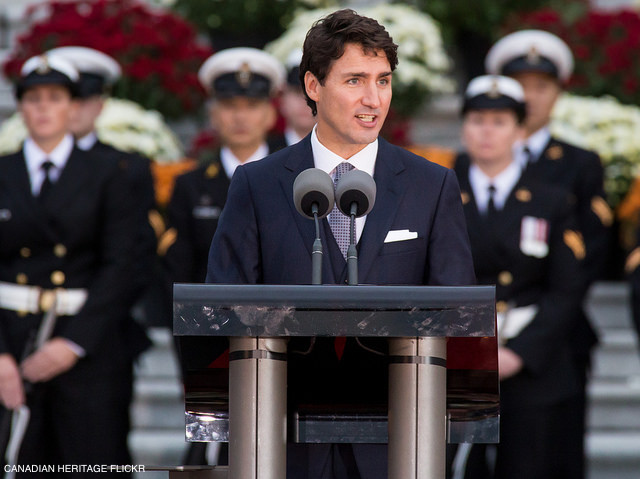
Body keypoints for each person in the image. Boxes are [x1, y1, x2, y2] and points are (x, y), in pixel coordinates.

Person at [206, 9, 475, 479]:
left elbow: (457, 316)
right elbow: (220, 309)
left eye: (383, 81)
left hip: (398, 447)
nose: (373, 99)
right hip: (281, 444)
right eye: (355, 80)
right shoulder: (257, 183)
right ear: (313, 85)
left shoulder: (431, 185)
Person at [0, 53, 139, 473]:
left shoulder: (109, 173)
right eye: (33, 98)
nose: (43, 107)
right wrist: (0, 354)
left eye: (55, 97)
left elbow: (123, 265)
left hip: (85, 345)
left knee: (88, 464)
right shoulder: (2, 172)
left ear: (73, 107)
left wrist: (72, 344)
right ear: (21, 107)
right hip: (10, 340)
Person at [485, 30, 613, 478]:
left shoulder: (579, 164)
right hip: (481, 340)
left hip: (557, 339)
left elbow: (589, 254)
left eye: (543, 87)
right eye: (522, 87)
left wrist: (530, 333)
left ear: (559, 93)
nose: (533, 98)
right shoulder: (469, 166)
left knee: (552, 459)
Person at [450, 75, 585, 479]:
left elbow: (567, 288)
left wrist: (519, 352)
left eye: (499, 121)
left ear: (520, 131)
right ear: (463, 128)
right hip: (460, 359)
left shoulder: (550, 200)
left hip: (531, 364)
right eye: (477, 120)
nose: (486, 131)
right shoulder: (439, 195)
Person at [161, 46, 286, 466]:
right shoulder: (190, 186)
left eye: (251, 106)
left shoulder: (300, 182)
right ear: (213, 114)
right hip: (208, 337)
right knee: (210, 446)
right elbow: (176, 271)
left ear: (270, 114)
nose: (240, 116)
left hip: (285, 335)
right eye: (229, 105)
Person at [46, 46, 160, 334]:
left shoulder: (127, 167)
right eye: (64, 98)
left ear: (99, 104)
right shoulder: (19, 166)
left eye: (82, 100)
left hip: (107, 326)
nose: (73, 109)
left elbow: (137, 254)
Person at [279, 48, 316, 146]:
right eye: (297, 92)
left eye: (312, 93)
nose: (305, 102)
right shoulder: (264, 154)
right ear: (283, 98)